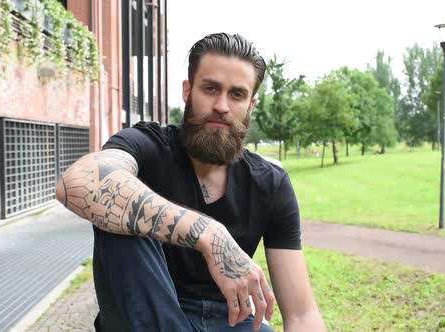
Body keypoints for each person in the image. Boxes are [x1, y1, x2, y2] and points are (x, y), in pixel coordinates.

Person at [56, 32, 326, 332]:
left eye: (237, 94)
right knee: (119, 205)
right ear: (188, 91)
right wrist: (210, 235)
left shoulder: (269, 183)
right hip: (150, 314)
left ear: (251, 105)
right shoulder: (148, 147)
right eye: (211, 88)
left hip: (232, 320)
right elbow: (77, 182)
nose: (222, 105)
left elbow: (302, 315)